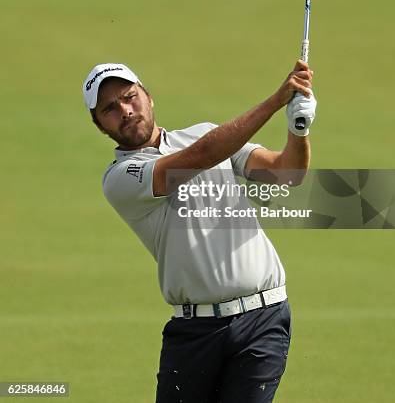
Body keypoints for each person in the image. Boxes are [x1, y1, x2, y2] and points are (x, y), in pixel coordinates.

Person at [83, 61, 317, 403]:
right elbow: (203, 155)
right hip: (194, 333)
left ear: (148, 97)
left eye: (130, 97)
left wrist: (299, 128)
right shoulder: (121, 177)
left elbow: (287, 174)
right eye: (110, 108)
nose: (126, 110)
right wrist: (276, 100)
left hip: (263, 320)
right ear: (99, 124)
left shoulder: (207, 133)